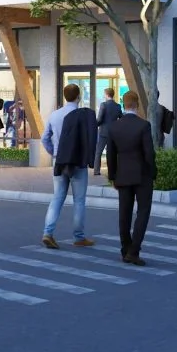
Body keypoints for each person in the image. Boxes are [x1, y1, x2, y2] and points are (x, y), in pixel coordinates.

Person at [39, 83, 97, 249]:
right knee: (79, 200)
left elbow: (44, 138)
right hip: (78, 162)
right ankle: (79, 237)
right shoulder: (83, 116)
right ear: (78, 96)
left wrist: (54, 152)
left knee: (57, 197)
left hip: (59, 161)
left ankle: (47, 232)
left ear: (65, 96)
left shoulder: (55, 115)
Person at [106, 90, 158, 266]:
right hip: (142, 174)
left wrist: (112, 176)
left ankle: (125, 249)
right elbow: (149, 153)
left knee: (124, 213)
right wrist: (153, 173)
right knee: (143, 211)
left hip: (122, 174)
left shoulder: (114, 126)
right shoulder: (144, 126)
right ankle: (134, 250)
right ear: (137, 104)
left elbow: (111, 155)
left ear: (123, 103)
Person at [94, 86, 123, 179]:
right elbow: (121, 118)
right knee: (112, 152)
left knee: (98, 152)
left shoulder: (103, 105)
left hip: (103, 132)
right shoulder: (118, 106)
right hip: (114, 132)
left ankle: (97, 171)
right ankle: (113, 170)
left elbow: (100, 119)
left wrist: (94, 124)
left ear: (106, 95)